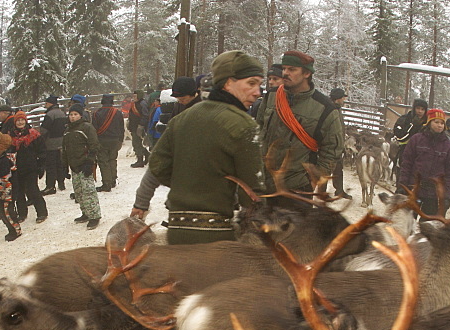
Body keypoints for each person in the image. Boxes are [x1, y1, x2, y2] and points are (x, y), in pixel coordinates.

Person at [148, 49, 266, 244]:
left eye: (260, 85)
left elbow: (158, 165)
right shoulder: (244, 124)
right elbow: (252, 194)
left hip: (176, 232)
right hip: (216, 239)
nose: (257, 92)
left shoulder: (182, 119)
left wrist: (191, 185)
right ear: (228, 83)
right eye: (251, 83)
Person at [255, 50, 344, 196]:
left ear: (307, 74)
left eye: (292, 69)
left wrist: (313, 180)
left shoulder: (325, 108)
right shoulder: (271, 96)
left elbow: (332, 149)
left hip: (297, 189)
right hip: (264, 184)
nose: (285, 73)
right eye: (284, 69)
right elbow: (258, 130)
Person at [397, 108, 450, 216]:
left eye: (442, 123)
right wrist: (402, 186)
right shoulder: (416, 140)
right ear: (429, 122)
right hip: (414, 189)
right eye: (436, 122)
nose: (439, 125)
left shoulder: (449, 147)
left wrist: (447, 196)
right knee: (406, 223)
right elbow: (406, 164)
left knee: (428, 227)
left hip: (434, 194)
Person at [62, 103, 102, 230]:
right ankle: (85, 212)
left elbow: (94, 145)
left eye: (75, 114)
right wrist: (64, 166)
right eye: (71, 114)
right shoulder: (67, 130)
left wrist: (90, 162)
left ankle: (94, 216)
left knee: (88, 191)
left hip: (85, 164)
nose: (73, 117)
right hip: (74, 166)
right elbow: (64, 149)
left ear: (80, 115)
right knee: (79, 192)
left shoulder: (87, 127)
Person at [8, 111, 48, 224]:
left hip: (31, 167)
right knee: (19, 192)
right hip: (16, 168)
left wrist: (41, 165)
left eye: (22, 120)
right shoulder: (10, 136)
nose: (20, 122)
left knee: (33, 190)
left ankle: (42, 212)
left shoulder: (33, 134)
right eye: (18, 121)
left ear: (25, 121)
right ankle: (22, 213)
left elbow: (42, 151)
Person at [92, 94, 125, 192]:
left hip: (101, 140)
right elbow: (121, 127)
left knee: (103, 161)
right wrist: (120, 140)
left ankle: (106, 183)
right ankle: (113, 179)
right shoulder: (117, 113)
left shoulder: (96, 113)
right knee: (112, 160)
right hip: (115, 140)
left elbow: (94, 129)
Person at [391, 98, 429, 177]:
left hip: (422, 158)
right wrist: (412, 126)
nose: (420, 111)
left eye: (422, 109)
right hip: (405, 154)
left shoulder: (428, 123)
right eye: (418, 108)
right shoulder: (405, 119)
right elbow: (400, 137)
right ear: (414, 108)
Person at [39, 95, 67, 194]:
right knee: (59, 164)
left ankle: (50, 186)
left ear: (50, 103)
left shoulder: (50, 115)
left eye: (46, 103)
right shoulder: (62, 113)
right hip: (61, 142)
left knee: (50, 165)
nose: (45, 105)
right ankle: (61, 182)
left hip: (50, 143)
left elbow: (44, 130)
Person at [328, 87, 351, 200]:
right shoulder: (330, 110)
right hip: (330, 146)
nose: (344, 100)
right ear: (338, 98)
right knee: (325, 170)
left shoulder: (338, 109)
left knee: (338, 169)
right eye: (343, 98)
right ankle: (321, 194)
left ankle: (339, 191)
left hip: (338, 145)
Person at [127, 90, 151, 168]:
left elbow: (145, 115)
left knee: (136, 143)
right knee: (136, 143)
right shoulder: (135, 104)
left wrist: (141, 126)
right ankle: (146, 155)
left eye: (135, 96)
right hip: (134, 126)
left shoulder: (142, 104)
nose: (133, 98)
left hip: (139, 127)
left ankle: (140, 160)